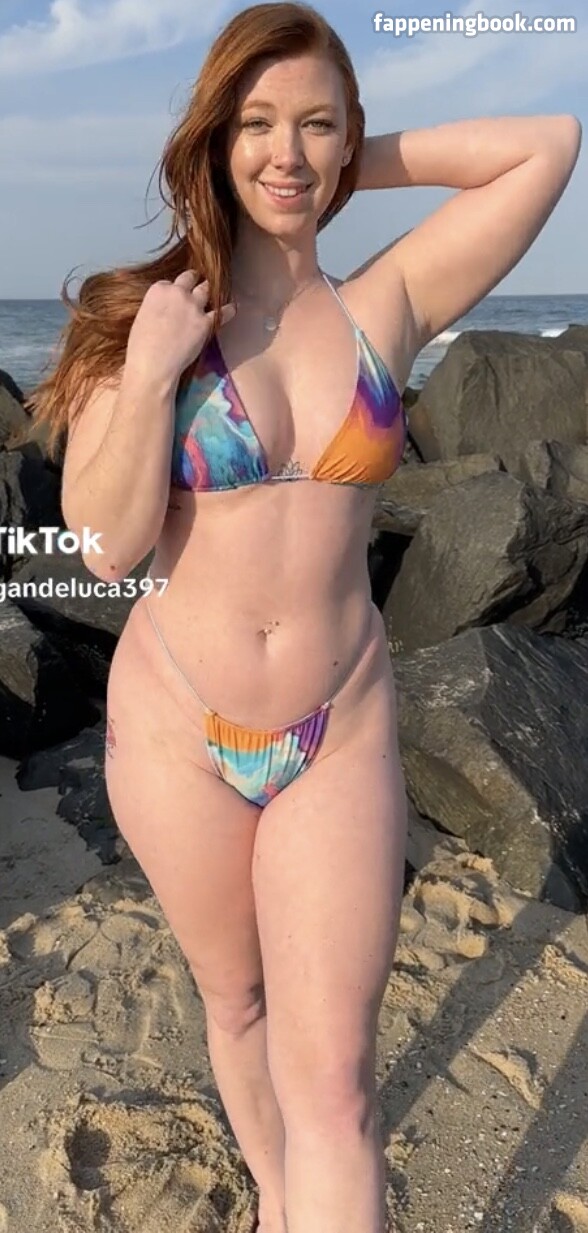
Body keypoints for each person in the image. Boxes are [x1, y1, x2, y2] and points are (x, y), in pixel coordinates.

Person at [25, 4, 581, 1229]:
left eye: (316, 124)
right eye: (257, 124)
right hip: (177, 733)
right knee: (237, 1006)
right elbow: (107, 545)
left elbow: (548, 141)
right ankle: (277, 1202)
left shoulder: (388, 303)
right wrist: (158, 370)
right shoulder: (141, 317)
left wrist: (325, 167)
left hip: (339, 728)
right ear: (212, 136)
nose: (287, 149)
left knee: (334, 1084)